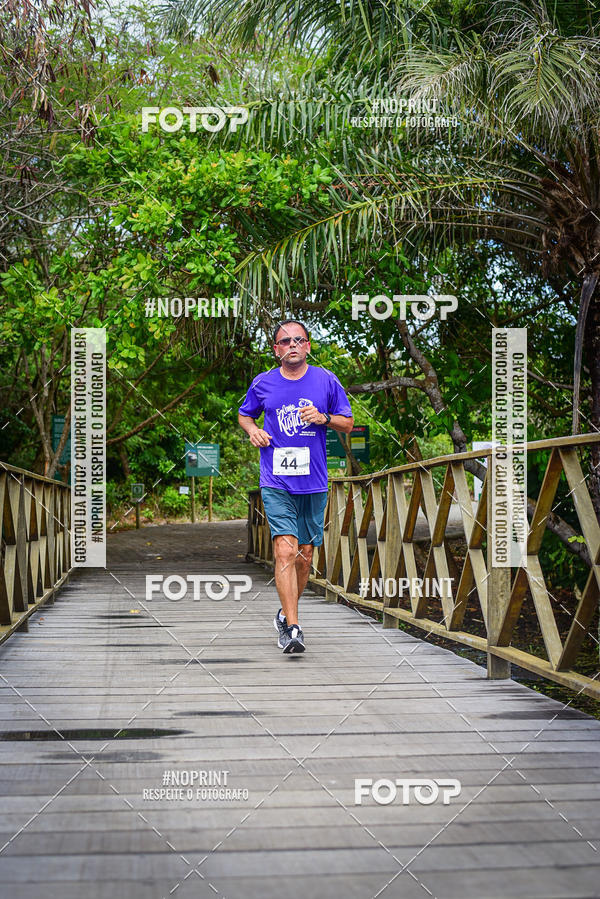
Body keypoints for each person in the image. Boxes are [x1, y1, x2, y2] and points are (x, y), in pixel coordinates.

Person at [238, 320, 354, 653]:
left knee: (304, 556)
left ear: (308, 346)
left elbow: (348, 423)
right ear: (276, 349)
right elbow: (245, 415)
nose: (292, 345)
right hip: (276, 479)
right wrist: (253, 431)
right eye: (285, 341)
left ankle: (285, 612)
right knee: (284, 551)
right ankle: (293, 628)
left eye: (298, 340)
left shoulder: (326, 380)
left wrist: (323, 418)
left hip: (313, 482)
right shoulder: (263, 383)